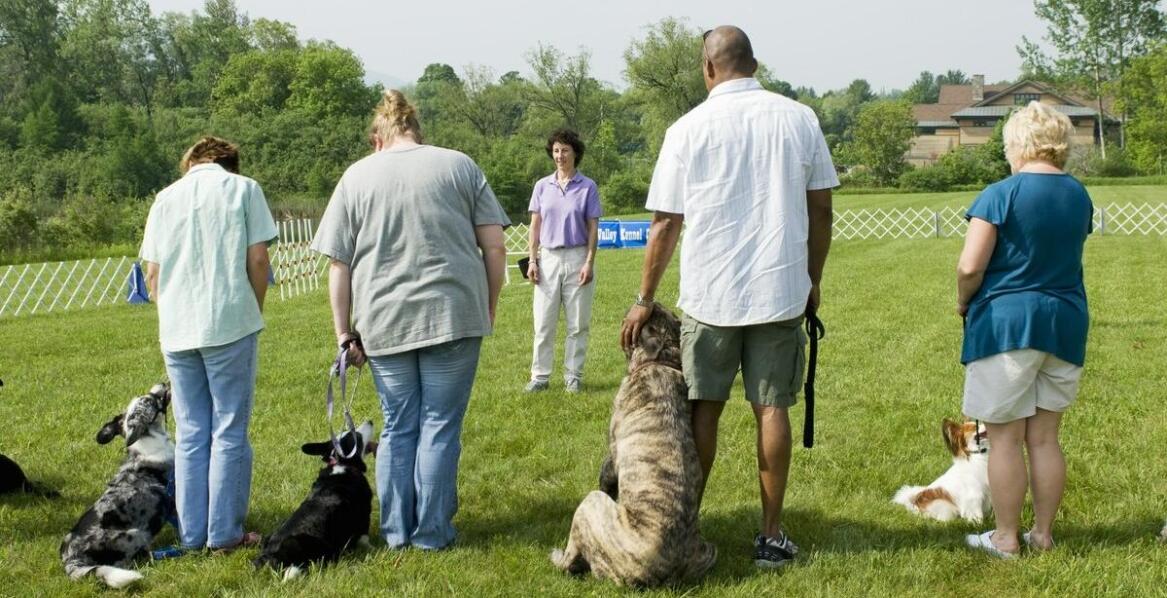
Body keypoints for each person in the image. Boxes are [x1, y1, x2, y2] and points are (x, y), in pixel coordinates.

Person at [619, 26, 837, 569]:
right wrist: (812, 280)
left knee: (703, 410)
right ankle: (770, 534)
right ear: (755, 63)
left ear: (707, 68)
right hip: (781, 287)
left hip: (710, 293)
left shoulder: (687, 128)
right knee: (772, 407)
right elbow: (822, 210)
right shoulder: (799, 117)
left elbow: (666, 222)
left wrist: (644, 296)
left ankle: (687, 529)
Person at [311, 89, 509, 550]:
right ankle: (433, 532)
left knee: (398, 427)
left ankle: (396, 531)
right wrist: (490, 302)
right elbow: (495, 245)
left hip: (384, 321)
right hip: (454, 312)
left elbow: (338, 265)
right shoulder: (459, 164)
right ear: (416, 129)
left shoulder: (356, 176)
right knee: (441, 424)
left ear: (378, 137)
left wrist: (343, 333)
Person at [957, 101, 1092, 559]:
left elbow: (970, 265)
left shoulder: (1001, 193)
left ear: (1016, 143)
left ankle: (1006, 538)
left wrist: (962, 300)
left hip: (1007, 326)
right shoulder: (1079, 194)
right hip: (1066, 323)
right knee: (1046, 438)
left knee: (1005, 439)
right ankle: (1044, 533)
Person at [140, 136, 277, 553]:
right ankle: (225, 534)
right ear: (230, 164)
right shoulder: (245, 189)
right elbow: (258, 260)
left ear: (191, 162)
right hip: (229, 321)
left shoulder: (165, 198)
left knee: (192, 431)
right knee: (229, 428)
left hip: (178, 328)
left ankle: (192, 532)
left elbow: (151, 273)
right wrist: (251, 308)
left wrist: (171, 313)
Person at [524, 128, 602, 394]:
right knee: (543, 322)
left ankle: (573, 376)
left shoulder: (588, 187)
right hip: (548, 258)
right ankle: (540, 376)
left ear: (575, 153)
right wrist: (533, 260)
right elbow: (535, 226)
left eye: (565, 150)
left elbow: (593, 227)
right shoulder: (541, 186)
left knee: (578, 323)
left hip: (578, 256)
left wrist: (589, 261)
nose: (560, 156)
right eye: (556, 150)